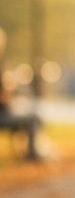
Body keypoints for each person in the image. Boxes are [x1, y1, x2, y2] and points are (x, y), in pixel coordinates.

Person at [0, 29, 41, 161]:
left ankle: (30, 151)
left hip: (5, 111)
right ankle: (31, 153)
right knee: (32, 118)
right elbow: (4, 98)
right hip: (3, 115)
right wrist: (8, 90)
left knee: (30, 113)